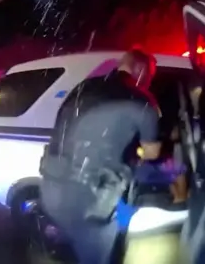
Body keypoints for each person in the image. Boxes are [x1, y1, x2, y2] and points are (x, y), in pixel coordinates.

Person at [39, 48, 162, 264]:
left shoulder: (85, 85)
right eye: (150, 77)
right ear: (141, 71)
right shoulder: (142, 99)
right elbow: (152, 155)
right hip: (90, 203)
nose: (149, 82)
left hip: (51, 189)